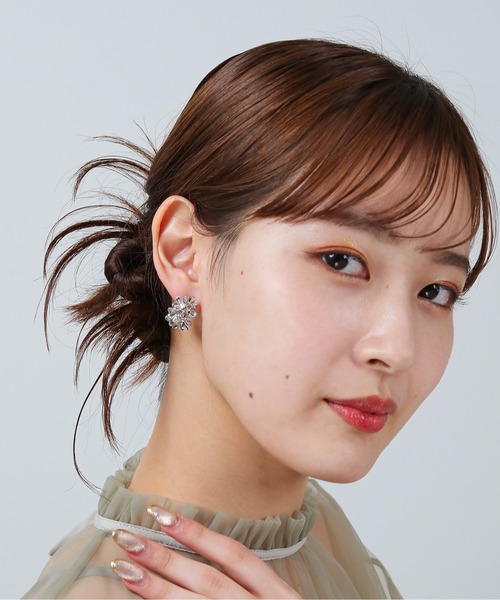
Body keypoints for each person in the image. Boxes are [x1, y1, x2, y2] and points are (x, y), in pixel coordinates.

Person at [24, 38, 496, 599]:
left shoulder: (317, 534)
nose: (398, 349)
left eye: (436, 291)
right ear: (184, 252)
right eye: (341, 261)